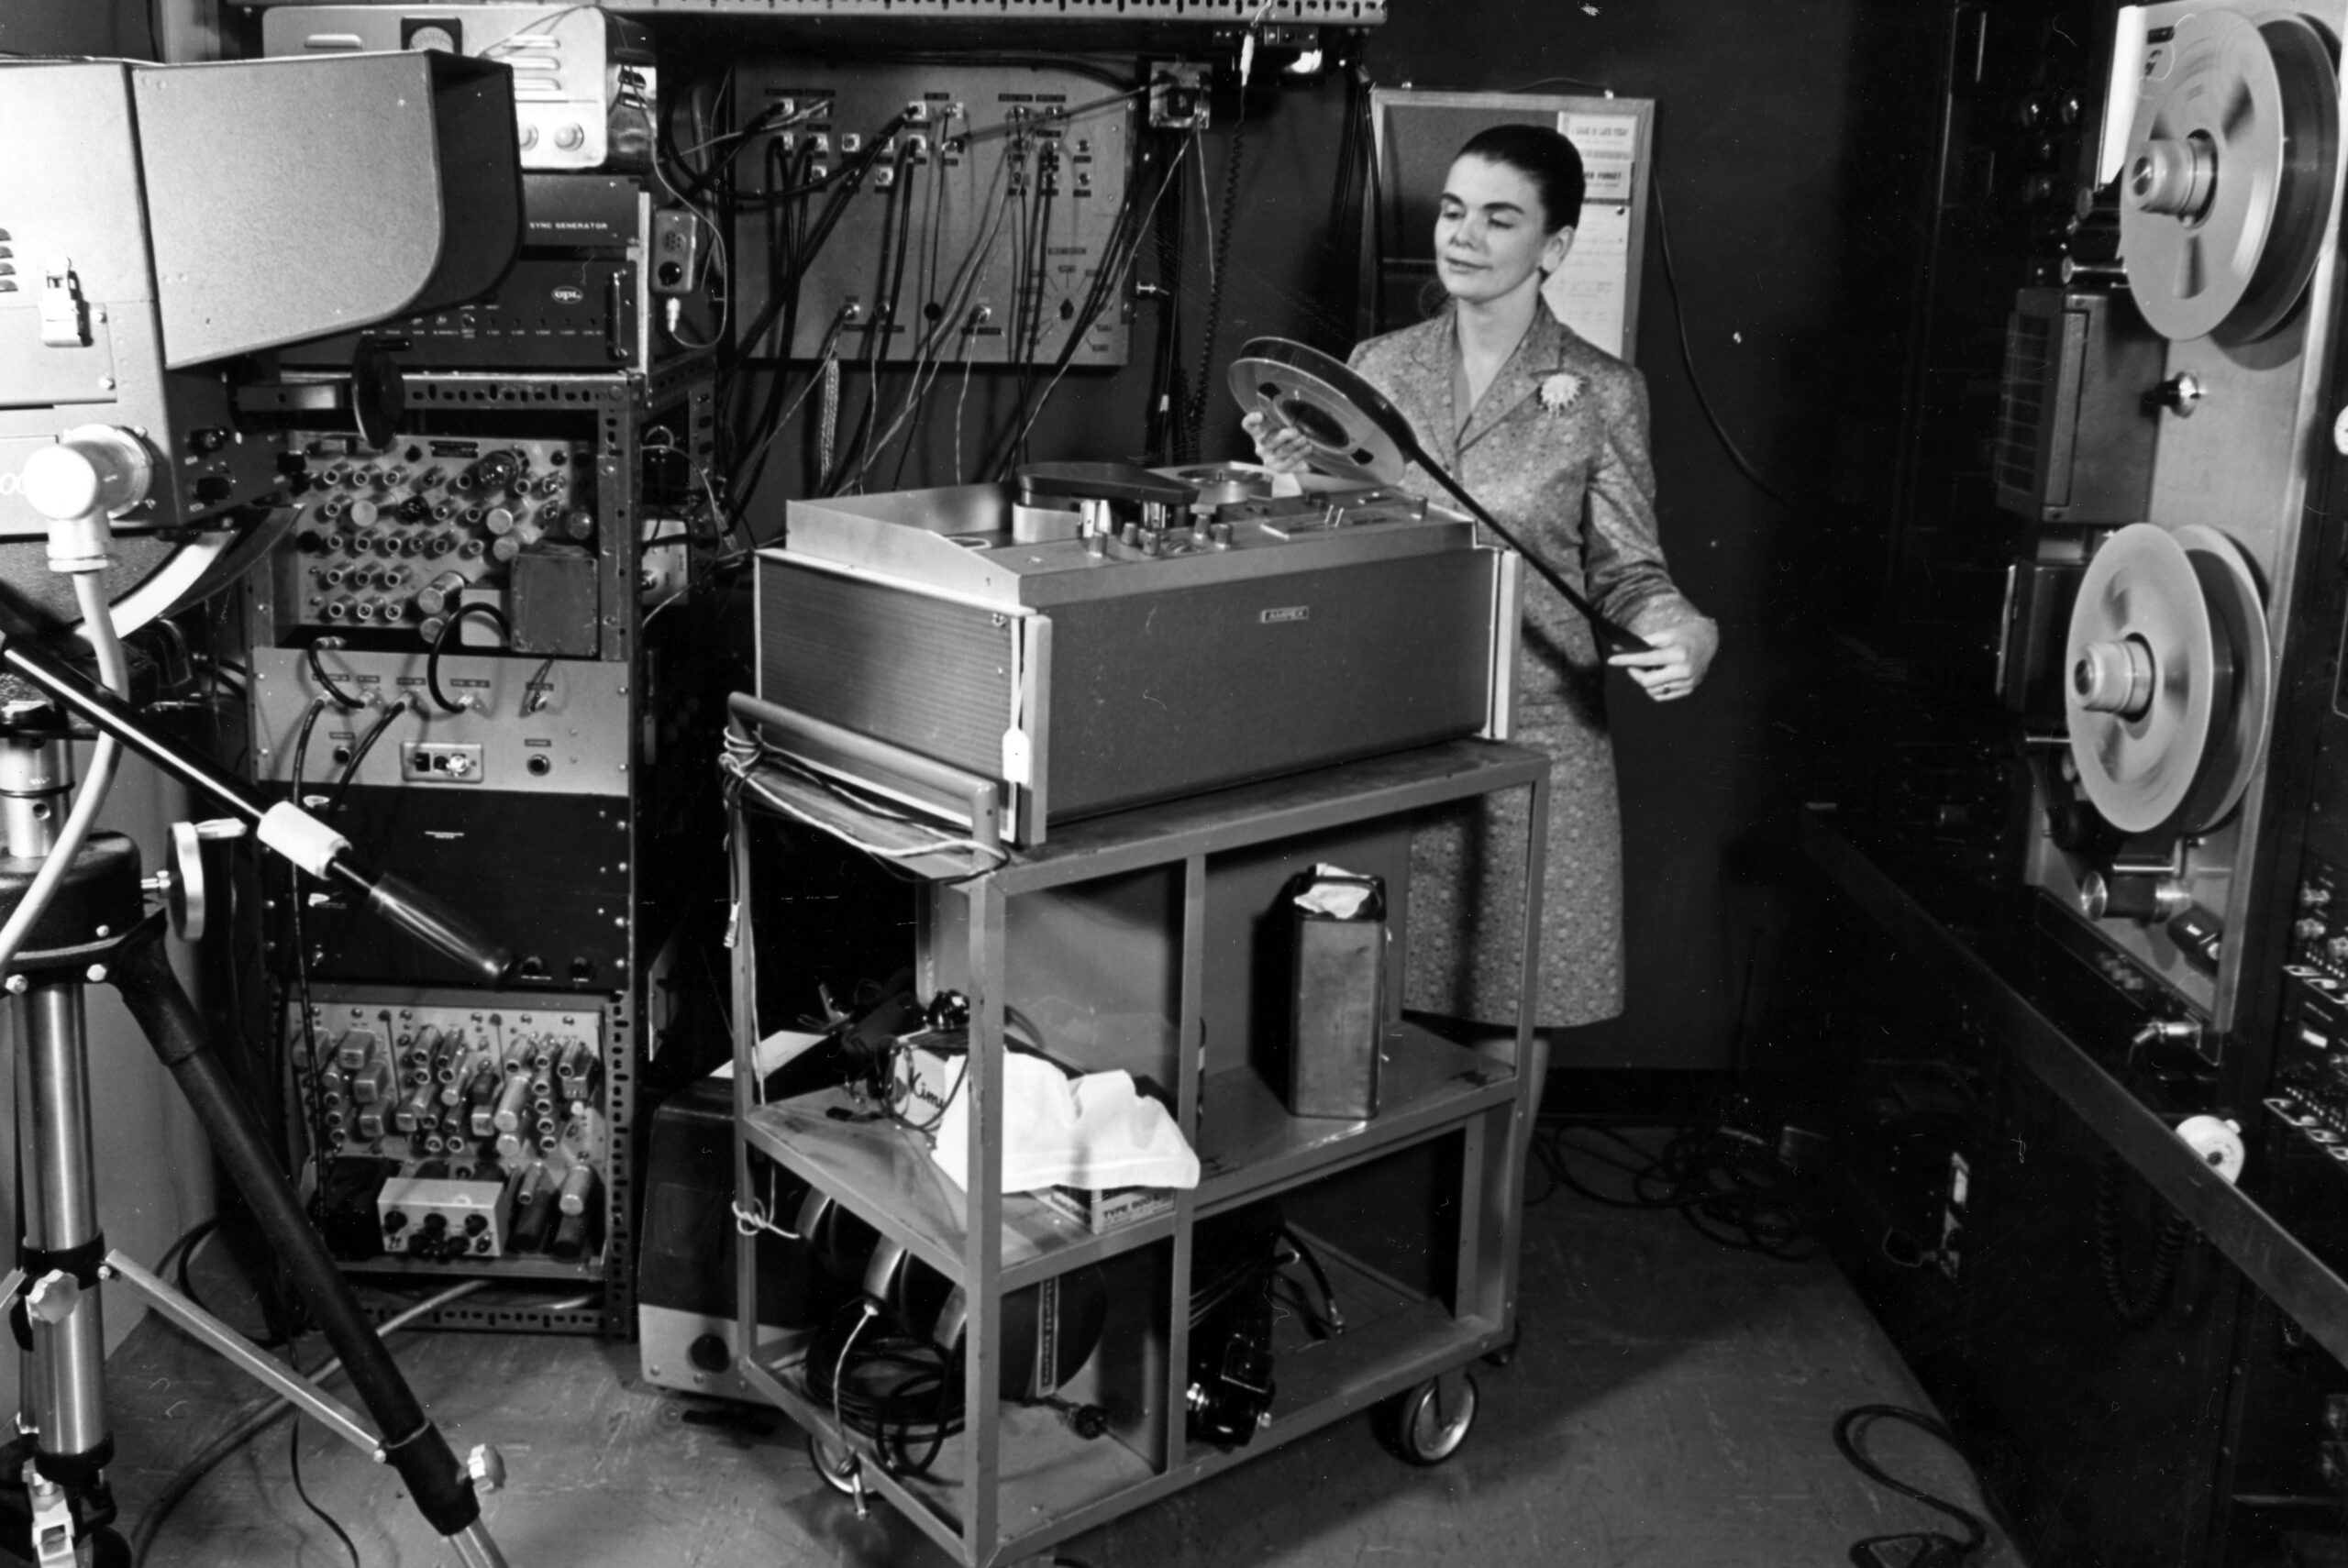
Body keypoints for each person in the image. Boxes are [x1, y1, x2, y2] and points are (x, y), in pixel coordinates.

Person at [1244, 123, 1719, 1059]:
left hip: (1536, 740)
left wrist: (1686, 629)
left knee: (1513, 1017)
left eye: (1498, 219)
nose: (1462, 236)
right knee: (1353, 1002)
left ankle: (1488, 1213)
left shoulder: (1600, 389)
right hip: (1390, 730)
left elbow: (1625, 570)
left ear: (1554, 248)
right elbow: (1352, 537)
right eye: (1454, 211)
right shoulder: (1379, 368)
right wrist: (1292, 480)